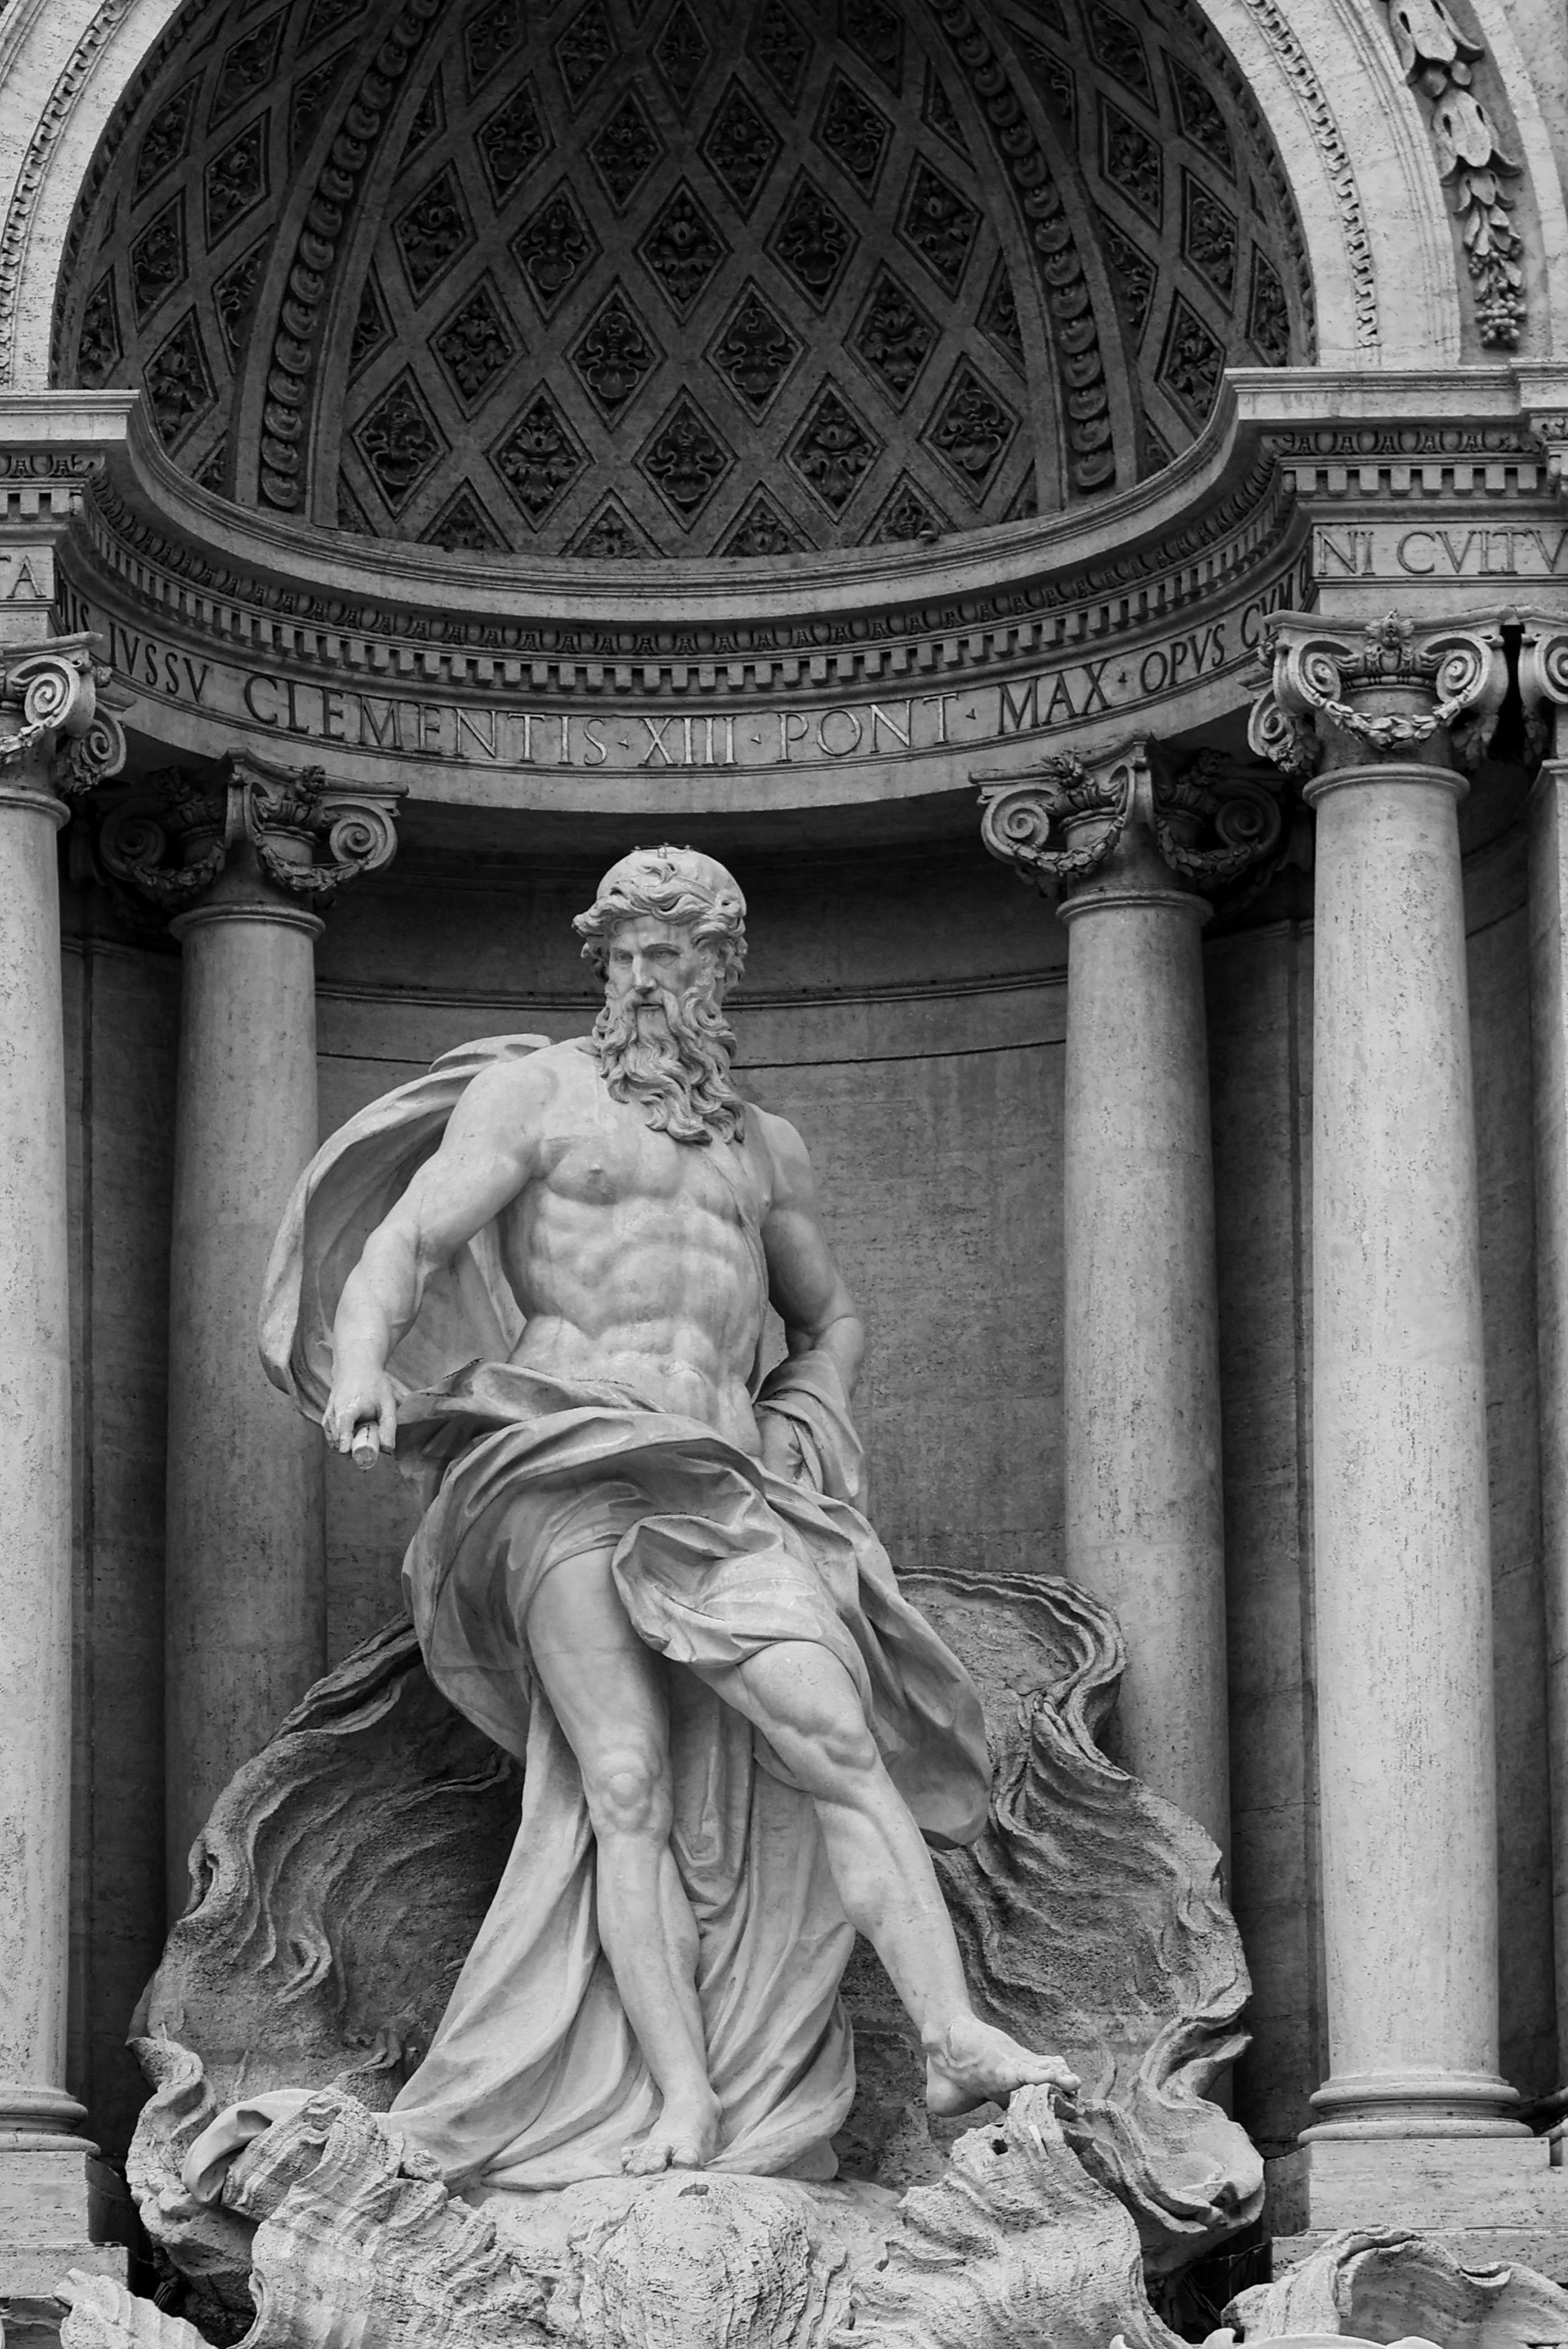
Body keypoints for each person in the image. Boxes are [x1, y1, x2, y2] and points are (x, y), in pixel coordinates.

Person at [264, 841, 1066, 2190]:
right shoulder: (539, 1096)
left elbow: (831, 1316)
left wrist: (810, 1411)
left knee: (837, 1734)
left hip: (723, 1479)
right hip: (563, 1459)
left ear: (720, 972)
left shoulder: (764, 1149)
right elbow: (402, 1245)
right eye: (624, 953)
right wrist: (357, 1369)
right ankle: (682, 2102)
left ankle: (951, 2038)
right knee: (618, 1782)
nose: (644, 978)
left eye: (673, 955)